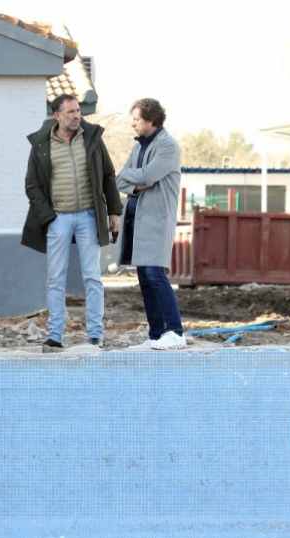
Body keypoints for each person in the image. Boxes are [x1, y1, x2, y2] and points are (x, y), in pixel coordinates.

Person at [22, 93, 122, 348]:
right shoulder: (42, 144)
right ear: (57, 115)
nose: (77, 116)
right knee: (56, 277)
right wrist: (48, 216)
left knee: (92, 276)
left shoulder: (92, 139)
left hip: (89, 215)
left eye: (78, 111)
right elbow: (32, 185)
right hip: (58, 218)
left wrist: (113, 212)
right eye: (70, 112)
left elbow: (109, 176)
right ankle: (56, 335)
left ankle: (95, 335)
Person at [116, 97, 186, 350]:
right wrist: (137, 181)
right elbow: (120, 180)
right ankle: (156, 334)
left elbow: (148, 176)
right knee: (144, 276)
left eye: (137, 120)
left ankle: (174, 331)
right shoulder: (139, 147)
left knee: (156, 274)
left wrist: (135, 180)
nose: (133, 124)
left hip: (156, 220)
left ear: (151, 120)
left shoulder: (167, 146)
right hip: (137, 218)